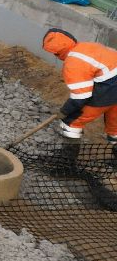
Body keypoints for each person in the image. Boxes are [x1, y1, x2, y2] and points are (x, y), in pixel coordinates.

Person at [42, 28, 117, 161]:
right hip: (112, 84)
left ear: (57, 52)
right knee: (115, 127)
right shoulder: (88, 45)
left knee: (72, 123)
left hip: (110, 89)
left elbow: (81, 96)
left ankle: (67, 164)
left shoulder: (73, 63)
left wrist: (65, 111)